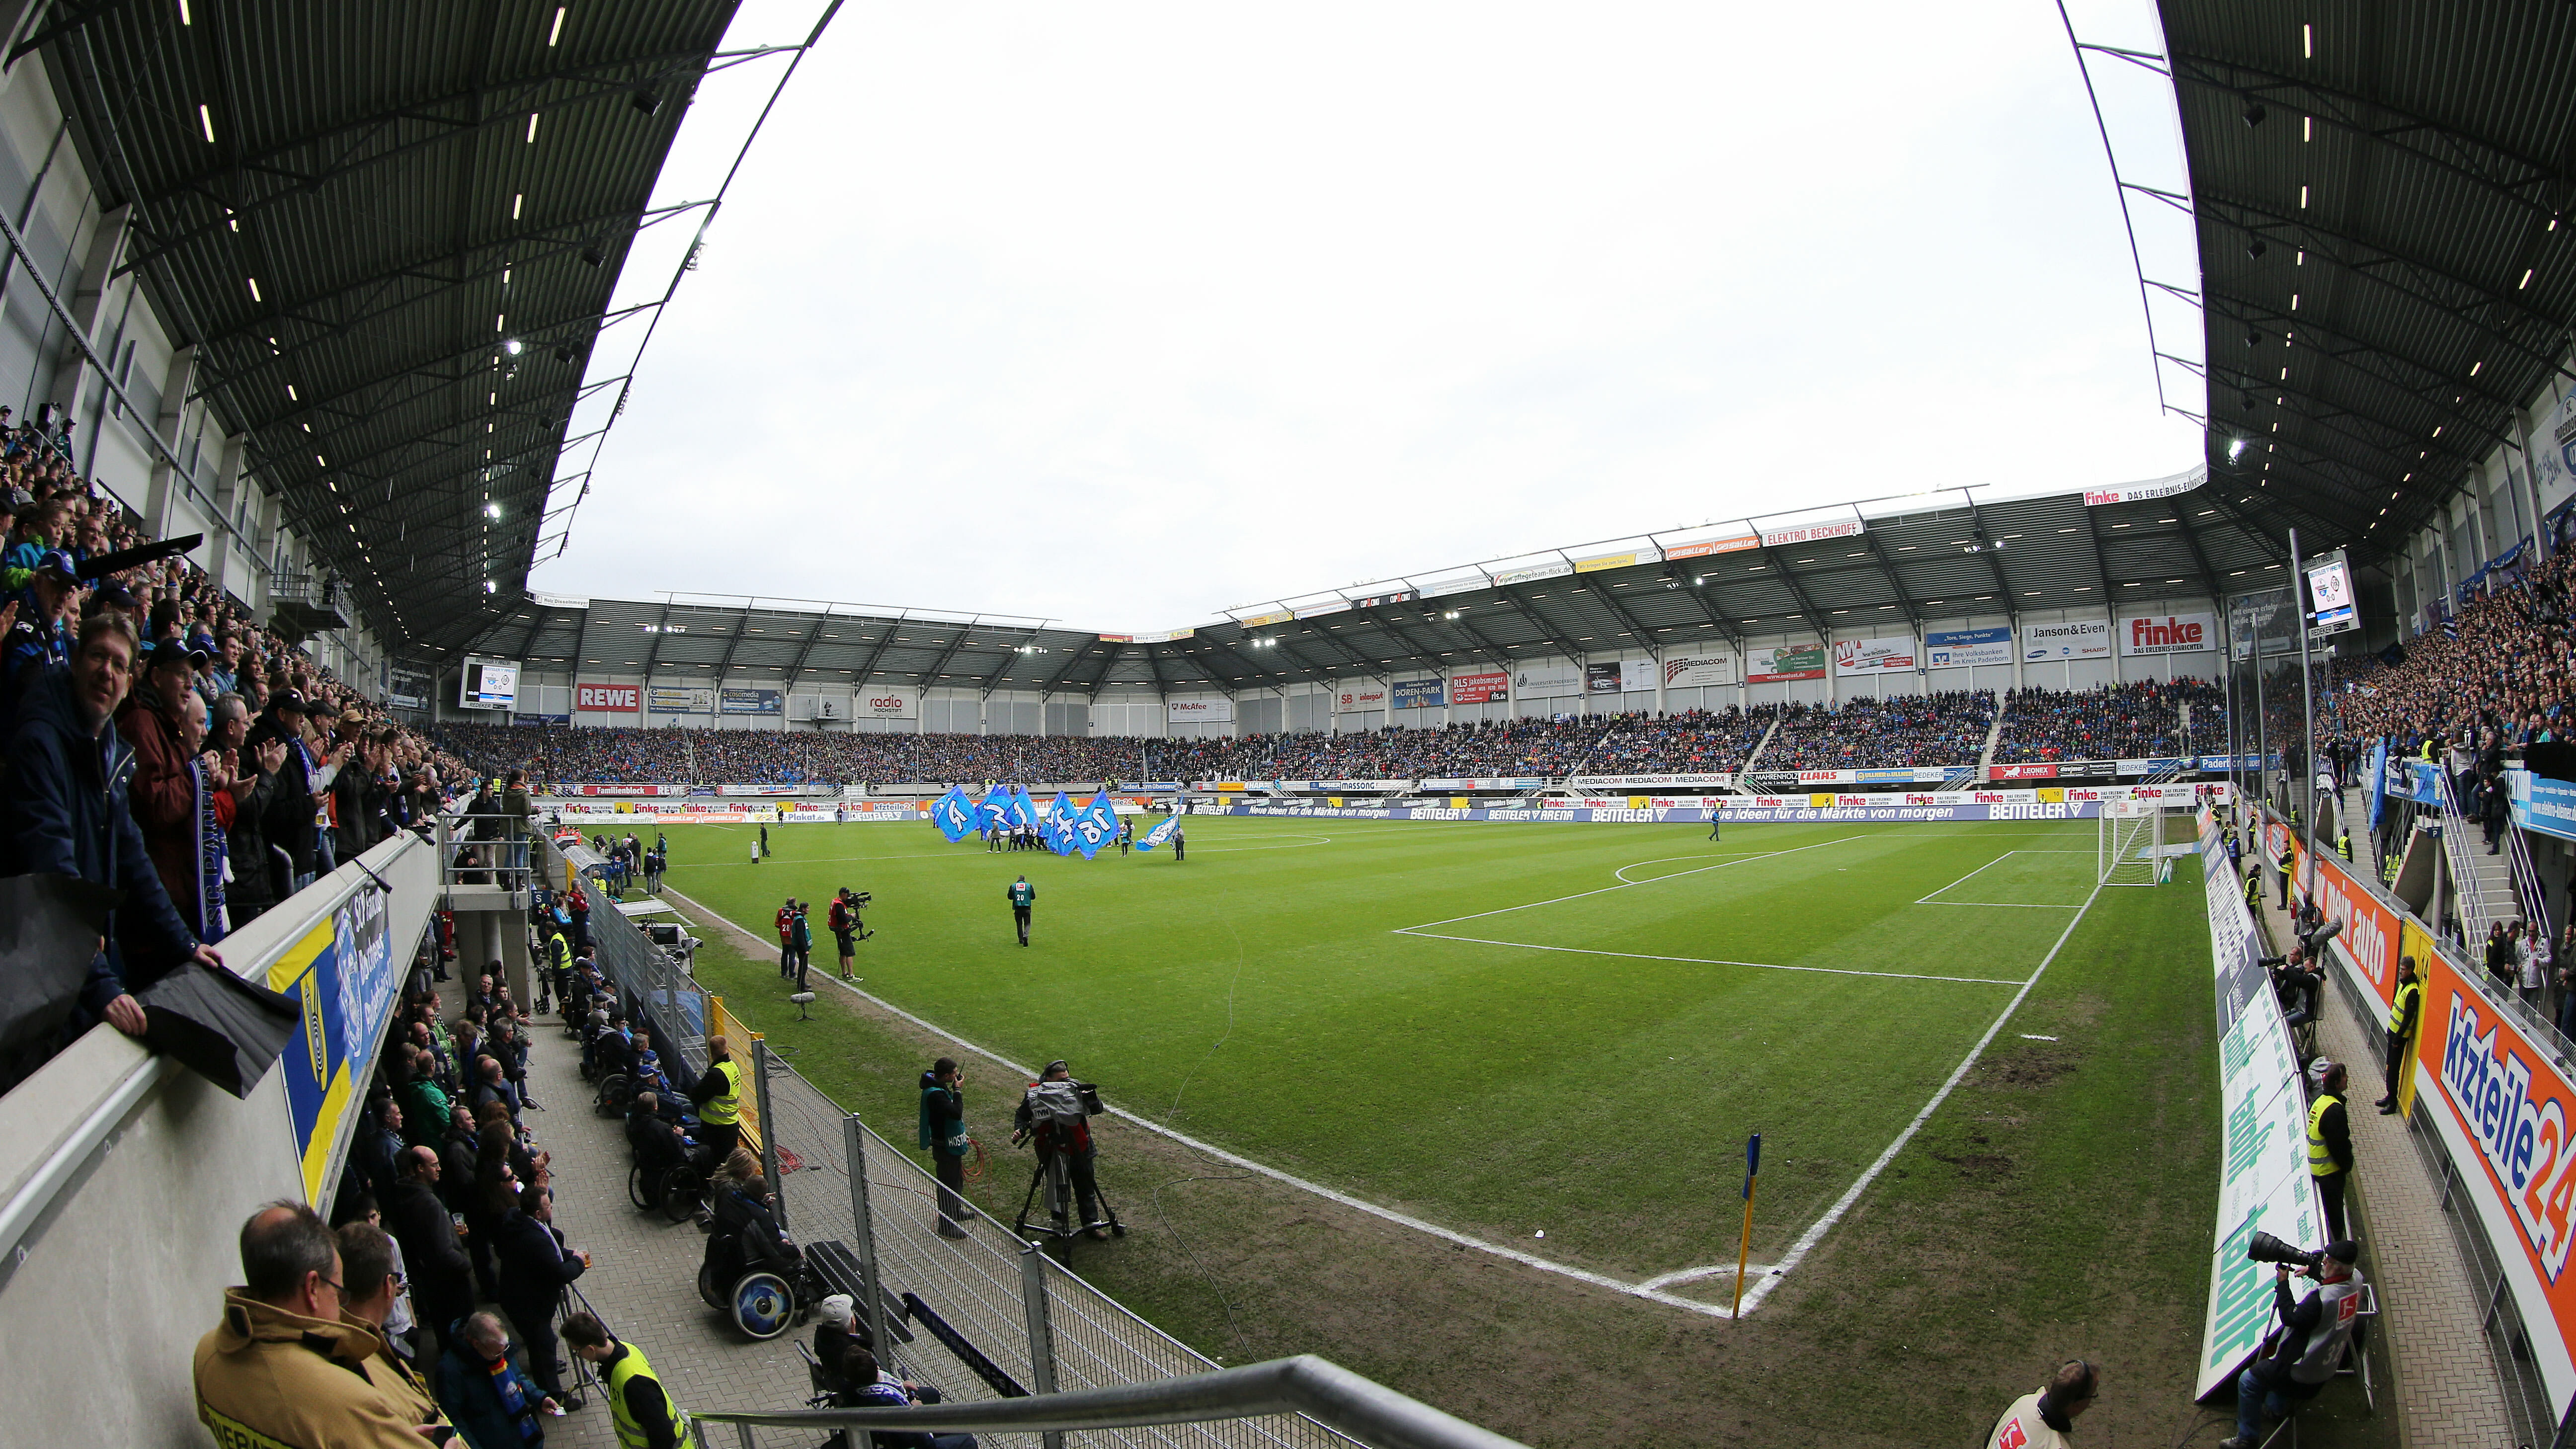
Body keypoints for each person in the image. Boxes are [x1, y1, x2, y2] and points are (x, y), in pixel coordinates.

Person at [0, 612, 222, 1083]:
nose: (107, 671)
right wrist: (101, 985)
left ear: (128, 680)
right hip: (34, 961)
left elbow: (131, 853)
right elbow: (53, 869)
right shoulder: (41, 742)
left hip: (73, 955)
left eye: (119, 664)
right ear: (77, 661)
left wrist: (183, 942)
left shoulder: (106, 745)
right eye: (98, 656)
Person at [194, 1201, 448, 1448]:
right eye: (337, 1293)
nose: (340, 1307)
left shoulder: (208, 1354)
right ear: (312, 1288)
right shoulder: (346, 1402)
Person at [2221, 1240, 2366, 1449]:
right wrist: (2313, 1271)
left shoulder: (2321, 1301)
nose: (2324, 1262)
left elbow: (2291, 1316)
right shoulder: (2356, 1279)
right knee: (2278, 1371)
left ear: (2340, 1267)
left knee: (2248, 1380)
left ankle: (2247, 1439)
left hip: (2301, 1372)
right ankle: (2276, 1408)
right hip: (2326, 1367)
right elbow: (2336, 1279)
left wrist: (2283, 1284)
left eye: (2330, 1262)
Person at [493, 1182, 586, 1400]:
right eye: (548, 1206)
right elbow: (560, 1272)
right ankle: (553, 1396)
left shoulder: (517, 1219)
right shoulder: (534, 1239)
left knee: (540, 1343)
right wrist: (578, 1262)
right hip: (528, 1304)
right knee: (543, 1344)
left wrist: (567, 1254)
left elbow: (550, 1251)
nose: (551, 1208)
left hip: (517, 1297)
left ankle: (547, 1373)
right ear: (537, 1213)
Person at [383, 1145, 476, 1353]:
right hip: (449, 1284)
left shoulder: (404, 1196)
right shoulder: (429, 1204)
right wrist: (465, 1263)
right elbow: (444, 1253)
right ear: (420, 1169)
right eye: (434, 1165)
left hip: (430, 1282)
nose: (439, 1169)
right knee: (460, 1336)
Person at [562, 1312, 690, 1449]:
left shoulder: (633, 1382)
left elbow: (664, 1435)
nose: (579, 1356)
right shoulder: (626, 1349)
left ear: (590, 1349)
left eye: (577, 1352)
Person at [435, 1310, 558, 1448]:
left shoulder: (499, 1347)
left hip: (525, 1435)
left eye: (504, 1350)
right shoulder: (450, 1371)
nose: (502, 1358)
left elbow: (517, 1377)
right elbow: (454, 1419)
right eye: (497, 1353)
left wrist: (539, 1398)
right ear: (476, 1344)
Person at [1013, 1059, 1106, 1239]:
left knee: (1085, 1184)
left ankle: (1091, 1224)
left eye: (1067, 1079)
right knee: (1056, 1187)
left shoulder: (1075, 1089)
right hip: (1052, 1146)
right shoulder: (1036, 1094)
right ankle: (1058, 1226)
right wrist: (1019, 1129)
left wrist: (1090, 1097)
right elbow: (1022, 1114)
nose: (1065, 1084)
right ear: (1047, 1079)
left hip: (1080, 1144)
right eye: (1060, 1081)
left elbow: (1097, 1109)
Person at [1982, 1360, 2097, 1449]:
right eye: (2093, 1394)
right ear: (2077, 1404)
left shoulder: (2026, 1401)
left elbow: (1990, 1439)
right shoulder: (2057, 1445)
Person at [920, 1057, 973, 1239]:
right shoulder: (935, 1094)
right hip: (944, 1147)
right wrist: (957, 1090)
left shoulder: (938, 1087)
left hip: (950, 1143)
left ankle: (956, 1212)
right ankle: (946, 1225)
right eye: (954, 1073)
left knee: (956, 1182)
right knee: (948, 1187)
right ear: (946, 1076)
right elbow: (956, 1113)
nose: (957, 1075)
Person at [2307, 1059, 2353, 1240]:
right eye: (2344, 1077)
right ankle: (2339, 1245)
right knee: (2335, 1214)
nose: (2347, 1079)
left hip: (2320, 1168)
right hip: (2329, 1173)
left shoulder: (2322, 1101)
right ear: (2336, 1083)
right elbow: (2339, 1146)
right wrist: (2347, 1165)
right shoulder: (2334, 1110)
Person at [2375, 957, 2422, 1115]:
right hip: (2393, 1033)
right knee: (2390, 1068)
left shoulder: (2413, 990)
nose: (2400, 972)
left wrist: (2398, 1038)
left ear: (2410, 970)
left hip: (2399, 1038)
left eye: (2403, 970)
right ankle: (2390, 1096)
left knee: (2394, 1070)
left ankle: (2393, 1103)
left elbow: (2409, 1017)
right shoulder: (2405, 985)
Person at [691, 1034, 745, 1166]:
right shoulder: (733, 1067)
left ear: (712, 1052)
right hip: (731, 1123)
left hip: (716, 1127)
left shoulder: (716, 1074)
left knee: (716, 1163)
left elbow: (696, 1095)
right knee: (726, 1163)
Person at [1008, 874, 1035, 946]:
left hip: (1017, 907)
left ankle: (1021, 940)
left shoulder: (1013, 886)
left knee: (1019, 924)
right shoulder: (1029, 886)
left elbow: (1010, 897)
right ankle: (1026, 936)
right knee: (1027, 923)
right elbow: (1033, 897)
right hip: (1027, 908)